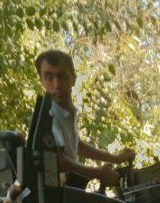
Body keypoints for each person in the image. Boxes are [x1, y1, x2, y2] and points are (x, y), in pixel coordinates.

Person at [35, 49, 135, 189]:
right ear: (42, 81)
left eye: (62, 76)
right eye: (49, 77)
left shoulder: (66, 113)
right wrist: (99, 173)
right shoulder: (48, 115)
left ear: (73, 79)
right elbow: (58, 161)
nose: (56, 84)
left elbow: (77, 145)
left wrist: (114, 158)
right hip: (55, 197)